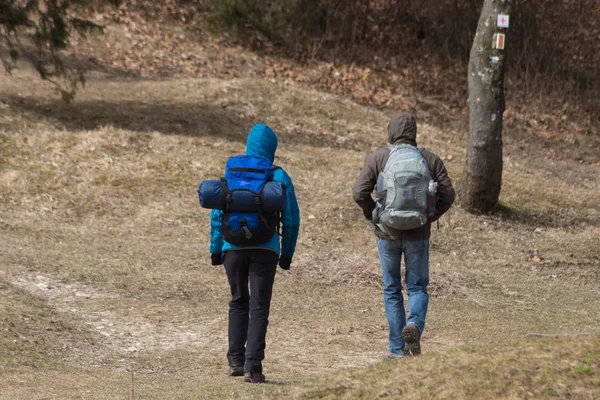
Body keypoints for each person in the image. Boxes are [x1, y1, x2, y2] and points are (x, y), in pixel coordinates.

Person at [352, 112, 455, 358]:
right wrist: (431, 214)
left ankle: (397, 350)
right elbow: (449, 194)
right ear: (414, 134)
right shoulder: (429, 159)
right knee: (417, 286)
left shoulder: (379, 158)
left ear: (391, 132)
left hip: (387, 233)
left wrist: (373, 214)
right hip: (418, 232)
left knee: (392, 288)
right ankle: (415, 325)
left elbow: (359, 192)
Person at [209, 124, 300, 383]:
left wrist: (216, 249)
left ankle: (235, 360)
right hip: (265, 249)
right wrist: (287, 253)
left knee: (238, 301)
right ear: (272, 148)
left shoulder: (232, 170)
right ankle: (253, 368)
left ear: (249, 144)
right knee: (259, 307)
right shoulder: (278, 175)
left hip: (232, 249)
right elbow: (292, 218)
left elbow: (218, 213)